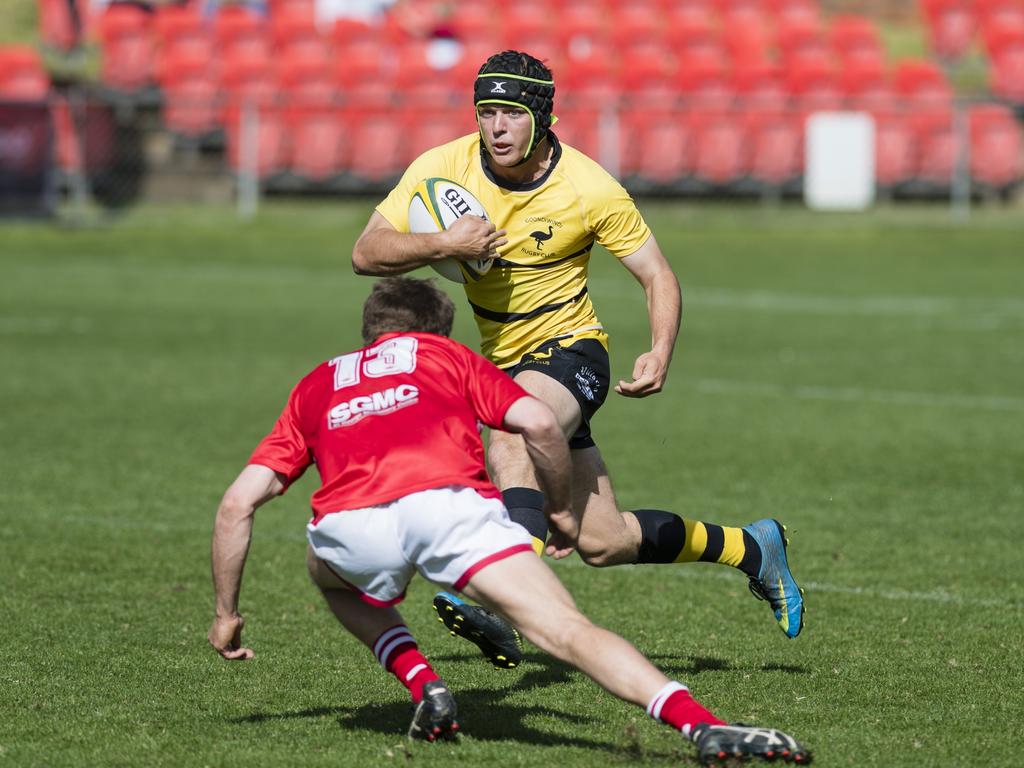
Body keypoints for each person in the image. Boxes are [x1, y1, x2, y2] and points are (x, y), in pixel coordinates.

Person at [207, 277, 812, 764]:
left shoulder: (316, 385)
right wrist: (553, 509)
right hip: (451, 510)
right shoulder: (450, 356)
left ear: (369, 333)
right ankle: (702, 728)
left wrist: (227, 615)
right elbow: (541, 426)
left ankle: (424, 683)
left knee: (327, 572)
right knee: (568, 632)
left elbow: (237, 504)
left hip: (354, 524)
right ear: (436, 332)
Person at [349, 50, 805, 665]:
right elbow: (366, 250)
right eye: (486, 112)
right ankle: (751, 549)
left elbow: (657, 275)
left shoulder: (588, 187)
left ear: (541, 117)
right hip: (503, 363)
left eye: (511, 113)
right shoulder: (444, 168)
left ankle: (502, 601)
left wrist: (660, 350)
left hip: (571, 352)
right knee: (603, 541)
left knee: (512, 431)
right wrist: (444, 242)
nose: (496, 128)